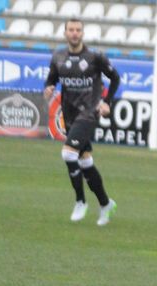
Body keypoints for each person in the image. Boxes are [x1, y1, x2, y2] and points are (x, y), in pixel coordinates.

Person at [43, 18, 120, 226]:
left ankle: (80, 201)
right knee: (85, 161)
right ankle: (105, 203)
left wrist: (106, 102)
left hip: (89, 112)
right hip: (69, 114)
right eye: (71, 29)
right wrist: (48, 88)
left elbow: (116, 78)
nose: (75, 33)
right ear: (65, 32)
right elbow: (51, 79)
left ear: (82, 33)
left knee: (68, 153)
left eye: (78, 30)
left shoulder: (95, 56)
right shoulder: (58, 56)